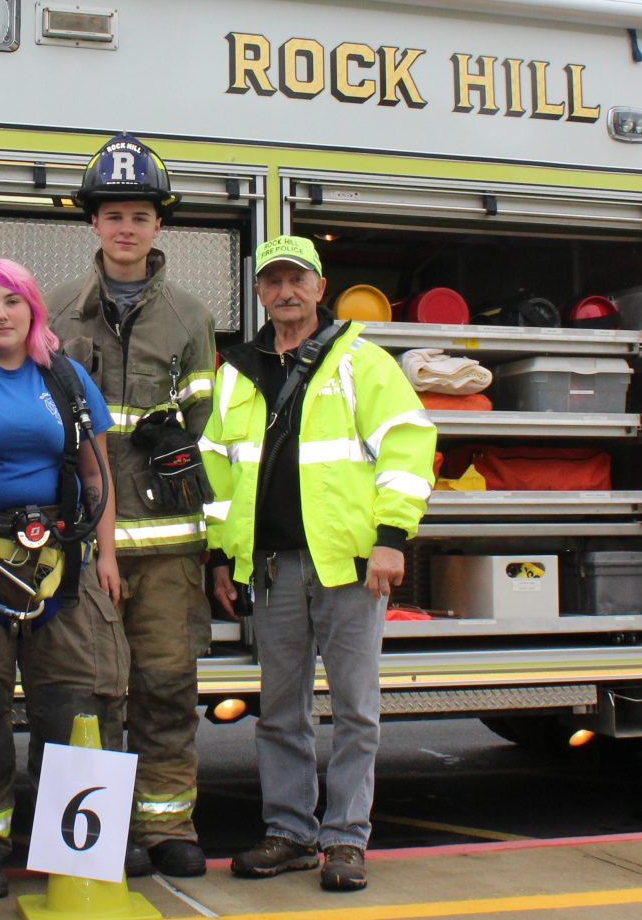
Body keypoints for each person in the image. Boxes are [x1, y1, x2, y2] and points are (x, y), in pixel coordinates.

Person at [201, 235, 436, 893]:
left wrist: (392, 538)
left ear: (319, 288)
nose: (285, 291)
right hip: (271, 567)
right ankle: (291, 834)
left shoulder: (362, 363)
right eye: (273, 281)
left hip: (351, 566)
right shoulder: (237, 372)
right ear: (259, 293)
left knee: (356, 710)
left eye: (296, 280)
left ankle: (345, 842)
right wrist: (222, 555)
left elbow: (409, 449)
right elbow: (219, 468)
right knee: (281, 711)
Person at [45, 133, 218, 878]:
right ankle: (99, 833)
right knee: (90, 696)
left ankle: (167, 825)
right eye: (113, 214)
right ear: (93, 223)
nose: (126, 228)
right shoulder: (52, 311)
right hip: (87, 546)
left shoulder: (190, 318)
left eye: (140, 216)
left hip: (170, 543)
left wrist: (167, 438)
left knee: (168, 688)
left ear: (158, 226)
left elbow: (206, 419)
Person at [0, 259, 130, 900]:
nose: (1, 315)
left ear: (33, 310)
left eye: (12, 302)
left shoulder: (67, 379)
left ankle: (73, 846)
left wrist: (106, 557)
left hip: (63, 561)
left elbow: (98, 478)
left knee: (77, 703)